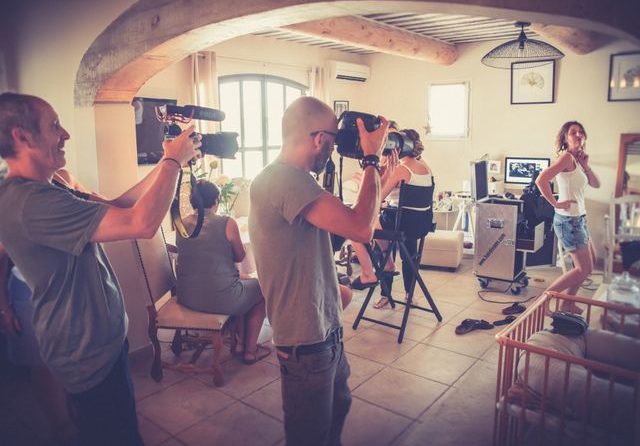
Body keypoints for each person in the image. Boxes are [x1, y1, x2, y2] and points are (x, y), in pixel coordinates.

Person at [0, 93, 200, 445]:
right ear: (22, 136)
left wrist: (170, 160)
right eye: (54, 125)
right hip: (83, 349)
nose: (65, 134)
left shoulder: (54, 184)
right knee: (115, 436)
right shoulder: (30, 203)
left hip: (101, 339)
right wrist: (172, 163)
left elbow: (119, 205)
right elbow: (141, 223)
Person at [249, 97, 388, 446]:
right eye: (334, 138)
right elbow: (362, 229)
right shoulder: (284, 180)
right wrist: (371, 158)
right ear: (317, 139)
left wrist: (377, 172)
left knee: (336, 413)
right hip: (305, 340)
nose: (337, 146)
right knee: (310, 436)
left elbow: (358, 224)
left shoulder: (299, 181)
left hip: (325, 329)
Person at [175, 179, 269, 365]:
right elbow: (240, 257)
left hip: (187, 296)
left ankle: (240, 343)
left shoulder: (180, 222)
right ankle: (250, 350)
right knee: (262, 291)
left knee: (243, 281)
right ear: (216, 200)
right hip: (219, 296)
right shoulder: (227, 223)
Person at [350, 128, 434, 309]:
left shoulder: (401, 169)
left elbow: (377, 198)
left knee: (369, 224)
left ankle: (385, 272)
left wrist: (363, 184)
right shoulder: (426, 167)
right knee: (408, 254)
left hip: (401, 225)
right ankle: (409, 295)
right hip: (420, 225)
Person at [536, 120, 601, 313]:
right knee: (582, 268)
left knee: (592, 263)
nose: (578, 135)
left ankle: (567, 302)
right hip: (569, 221)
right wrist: (555, 203)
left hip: (579, 218)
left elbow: (596, 184)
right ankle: (544, 300)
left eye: (581, 132)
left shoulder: (577, 160)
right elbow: (541, 180)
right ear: (565, 137)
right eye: (573, 132)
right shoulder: (565, 158)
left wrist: (585, 165)